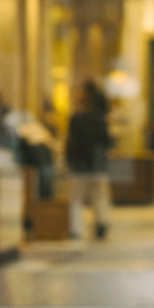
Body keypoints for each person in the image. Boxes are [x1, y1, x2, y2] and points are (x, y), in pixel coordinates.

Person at [66, 81, 113, 240]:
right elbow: (107, 141)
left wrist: (70, 160)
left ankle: (76, 229)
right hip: (97, 163)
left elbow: (71, 142)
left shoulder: (76, 119)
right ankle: (101, 222)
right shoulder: (100, 119)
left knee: (77, 198)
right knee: (99, 195)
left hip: (79, 164)